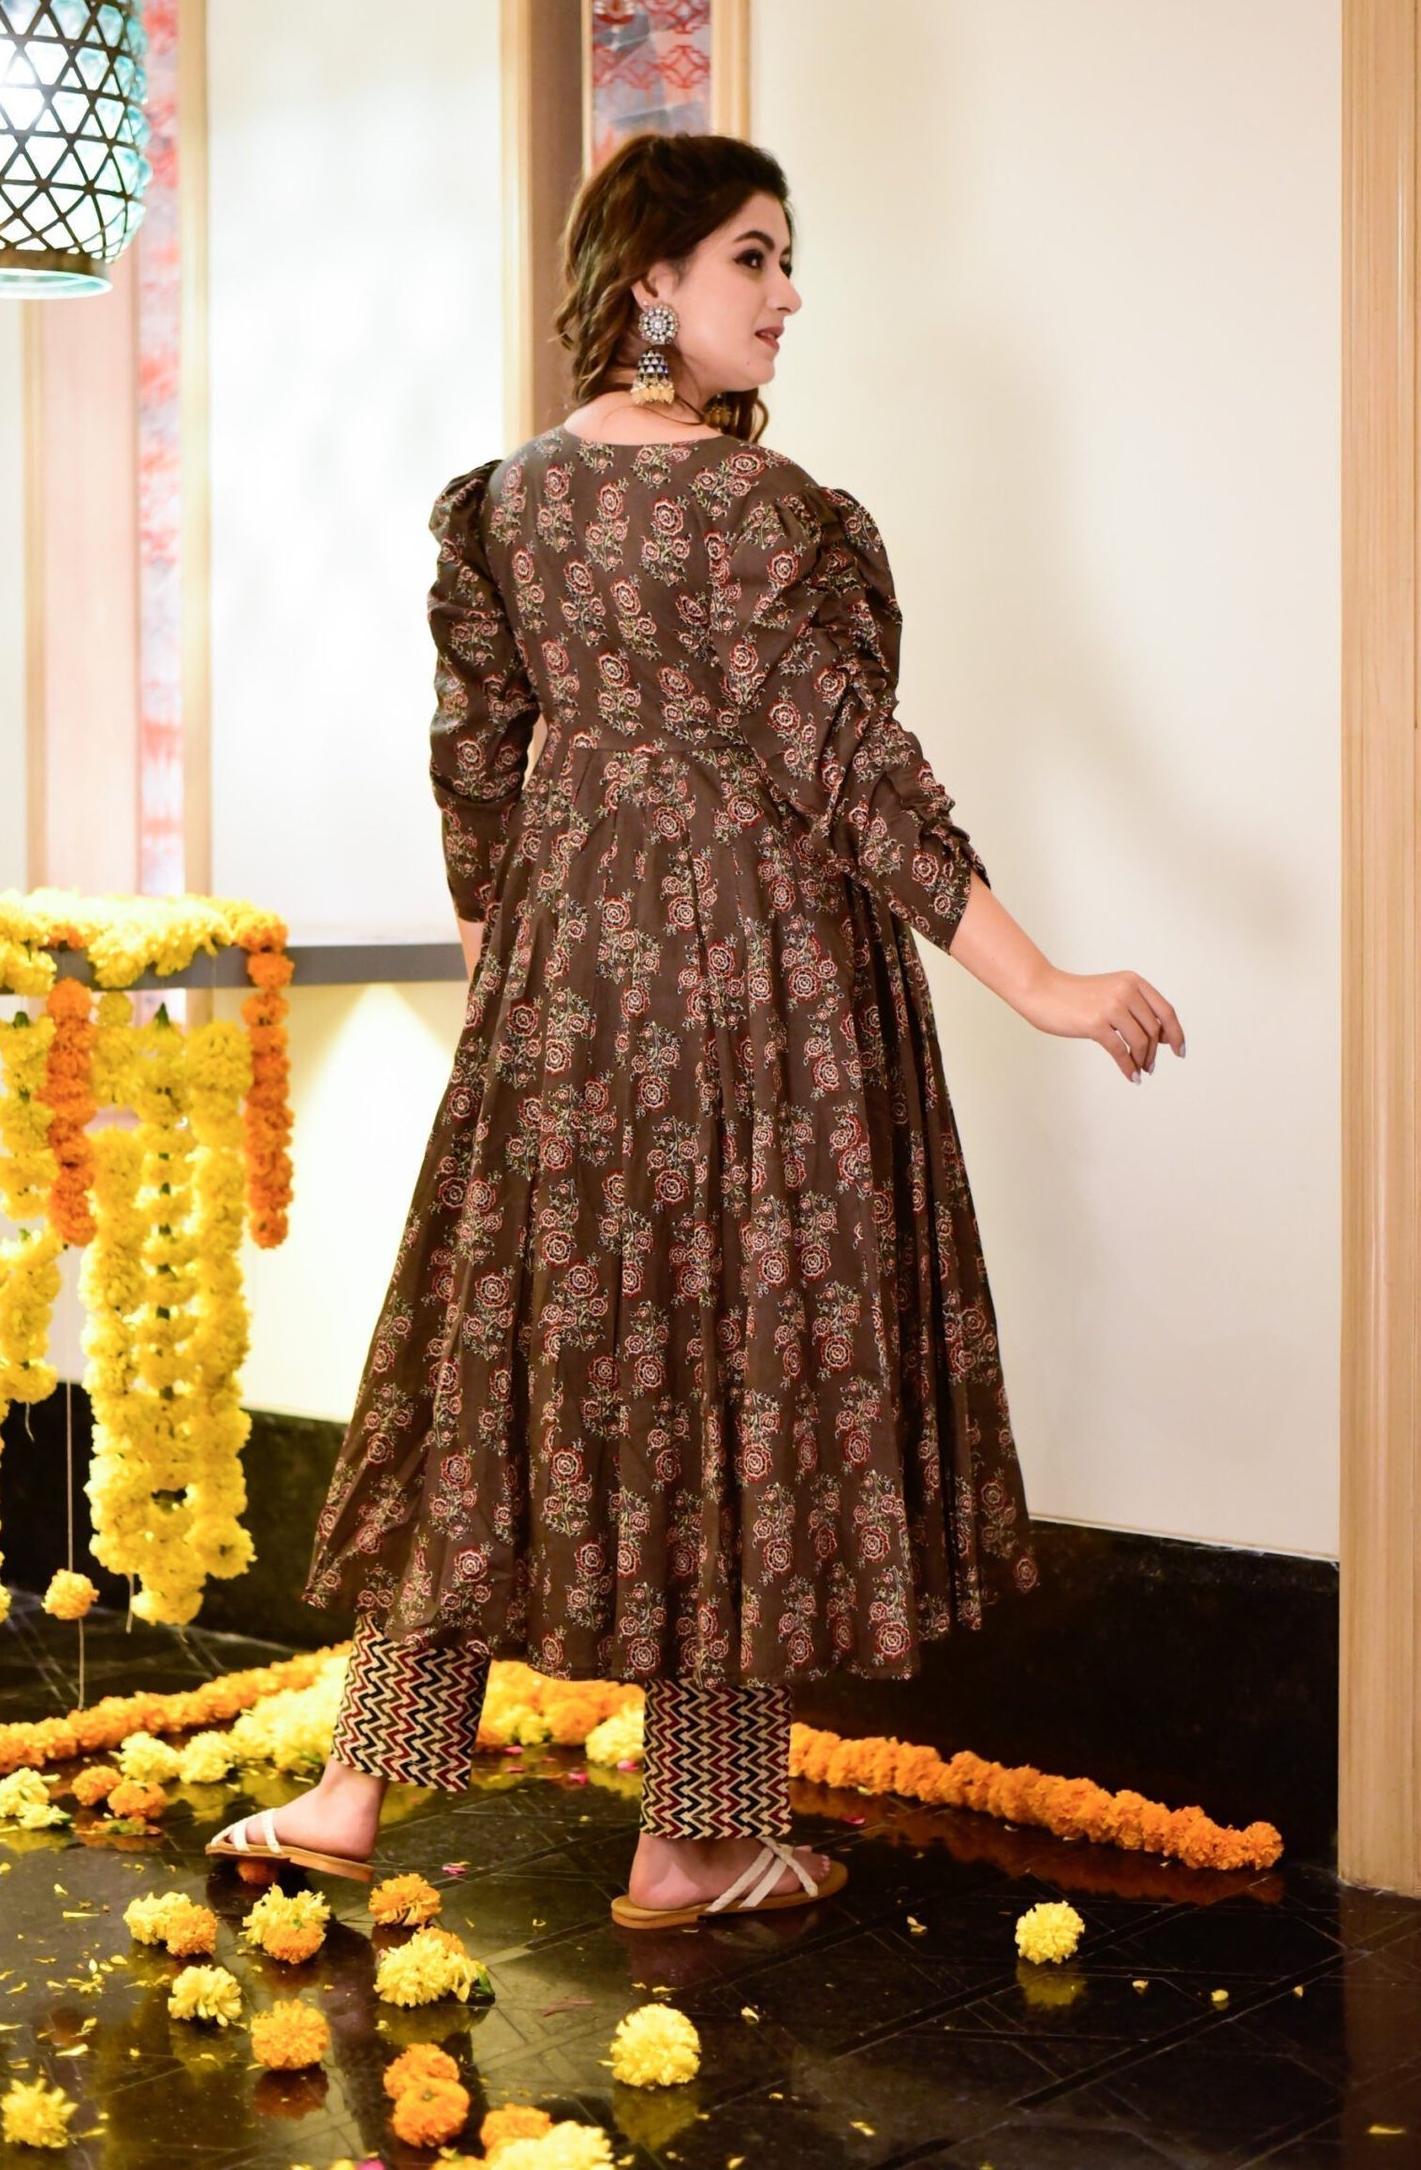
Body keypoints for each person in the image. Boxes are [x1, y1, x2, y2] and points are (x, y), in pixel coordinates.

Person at [209, 132, 1185, 1927]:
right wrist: (1043, 983)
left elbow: (476, 785)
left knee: (495, 1373)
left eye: (785, 258)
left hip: (565, 997)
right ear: (651, 279)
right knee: (736, 1384)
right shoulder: (761, 514)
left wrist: (528, 996)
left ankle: (354, 1789)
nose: (789, 293)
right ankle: (696, 1835)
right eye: (755, 256)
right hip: (761, 1000)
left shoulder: (502, 507)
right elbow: (853, 772)